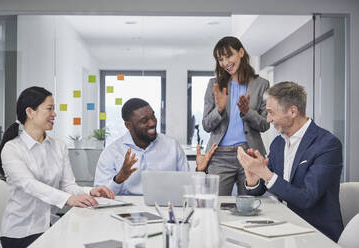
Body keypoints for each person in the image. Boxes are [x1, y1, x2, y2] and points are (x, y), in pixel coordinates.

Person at [0, 86, 114, 248]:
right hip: (21, 233)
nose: (54, 114)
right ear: (30, 112)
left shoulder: (58, 146)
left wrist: (90, 191)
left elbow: (67, 185)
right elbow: (29, 185)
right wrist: (69, 199)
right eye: (49, 109)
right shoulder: (12, 149)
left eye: (54, 109)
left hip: (51, 226)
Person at [237, 81, 343, 242]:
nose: (269, 119)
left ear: (293, 111)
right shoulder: (278, 143)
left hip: (316, 234)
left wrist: (265, 173)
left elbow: (307, 198)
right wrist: (254, 179)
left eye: (271, 113)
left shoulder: (327, 145)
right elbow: (263, 187)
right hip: (282, 228)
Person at [94, 98, 217, 195]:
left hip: (167, 209)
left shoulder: (172, 146)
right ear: (128, 125)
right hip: (127, 213)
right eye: (144, 121)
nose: (152, 123)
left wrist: (200, 172)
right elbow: (100, 197)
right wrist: (119, 179)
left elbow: (188, 189)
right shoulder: (112, 152)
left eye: (153, 116)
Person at [202, 36, 270, 196]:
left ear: (241, 52)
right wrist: (218, 110)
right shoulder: (214, 85)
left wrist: (247, 112)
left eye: (229, 56)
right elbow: (206, 125)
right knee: (215, 206)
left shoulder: (262, 85)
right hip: (219, 157)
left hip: (250, 154)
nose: (225, 63)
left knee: (249, 206)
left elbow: (264, 125)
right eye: (220, 59)